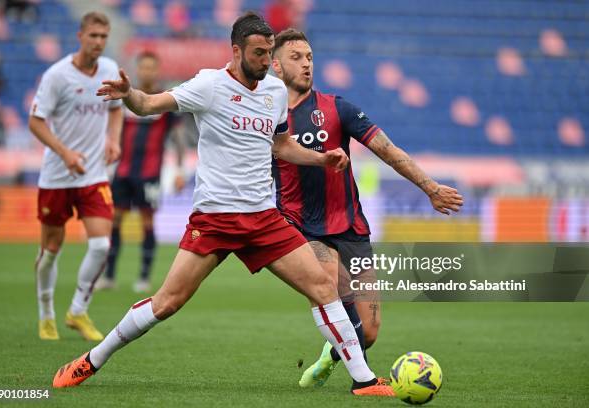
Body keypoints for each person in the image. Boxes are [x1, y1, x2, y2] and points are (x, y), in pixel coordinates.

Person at [52, 12, 395, 397]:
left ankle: (363, 381)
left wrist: (321, 158)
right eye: (259, 53)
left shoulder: (275, 92)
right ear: (236, 50)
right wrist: (129, 94)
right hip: (215, 219)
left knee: (322, 286)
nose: (267, 61)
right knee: (167, 303)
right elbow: (148, 105)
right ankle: (91, 360)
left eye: (269, 53)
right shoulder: (208, 85)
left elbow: (280, 145)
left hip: (265, 218)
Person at [270, 28, 464, 387]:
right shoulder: (267, 119)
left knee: (369, 332)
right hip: (301, 228)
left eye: (310, 57)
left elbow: (388, 151)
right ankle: (365, 381)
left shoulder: (337, 108)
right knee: (326, 284)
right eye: (296, 58)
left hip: (350, 227)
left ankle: (332, 356)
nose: (307, 64)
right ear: (276, 66)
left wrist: (431, 188)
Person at [28, 11, 123, 341]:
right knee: (51, 249)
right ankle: (46, 314)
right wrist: (65, 153)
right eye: (93, 35)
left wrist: (113, 139)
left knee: (101, 244)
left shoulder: (110, 70)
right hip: (57, 176)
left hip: (93, 175)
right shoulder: (57, 76)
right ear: (80, 36)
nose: (98, 42)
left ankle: (78, 310)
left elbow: (115, 110)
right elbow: (36, 122)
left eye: (103, 37)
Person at [97, 51, 186, 293]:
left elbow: (178, 138)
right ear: (138, 69)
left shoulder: (165, 99)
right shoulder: (127, 97)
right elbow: (112, 131)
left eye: (151, 68)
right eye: (144, 67)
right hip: (123, 171)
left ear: (157, 71)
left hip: (150, 174)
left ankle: (144, 277)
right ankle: (109, 276)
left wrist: (179, 169)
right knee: (115, 220)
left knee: (147, 221)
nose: (147, 72)